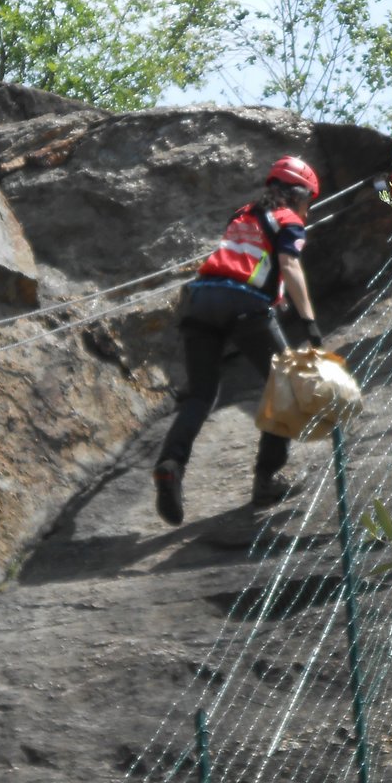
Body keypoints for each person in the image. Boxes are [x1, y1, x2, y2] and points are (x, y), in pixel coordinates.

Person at [152, 156, 324, 526]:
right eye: (308, 200)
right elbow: (290, 266)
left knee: (200, 396)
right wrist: (309, 323)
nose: (308, 209)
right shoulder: (289, 221)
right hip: (245, 304)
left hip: (201, 301)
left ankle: (171, 464)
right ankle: (266, 479)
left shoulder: (242, 214)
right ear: (299, 195)